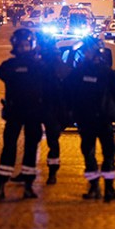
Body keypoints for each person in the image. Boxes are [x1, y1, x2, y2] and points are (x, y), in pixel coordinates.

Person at [65, 36, 115, 202]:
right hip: (86, 121)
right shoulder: (78, 73)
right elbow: (68, 94)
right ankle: (93, 186)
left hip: (104, 120)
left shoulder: (107, 74)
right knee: (88, 153)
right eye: (84, 51)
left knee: (109, 154)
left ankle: (109, 188)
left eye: (88, 51)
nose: (86, 54)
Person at [0, 28, 45, 201]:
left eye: (26, 45)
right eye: (20, 46)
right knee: (9, 148)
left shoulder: (37, 66)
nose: (23, 49)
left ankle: (28, 185)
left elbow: (51, 89)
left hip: (33, 113)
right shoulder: (12, 66)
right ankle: (0, 185)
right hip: (15, 112)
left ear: (32, 45)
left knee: (30, 149)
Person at [37, 31, 72, 185]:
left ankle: (48, 172)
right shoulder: (59, 66)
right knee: (51, 142)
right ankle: (51, 172)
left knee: (35, 142)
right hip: (52, 109)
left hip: (47, 108)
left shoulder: (42, 65)